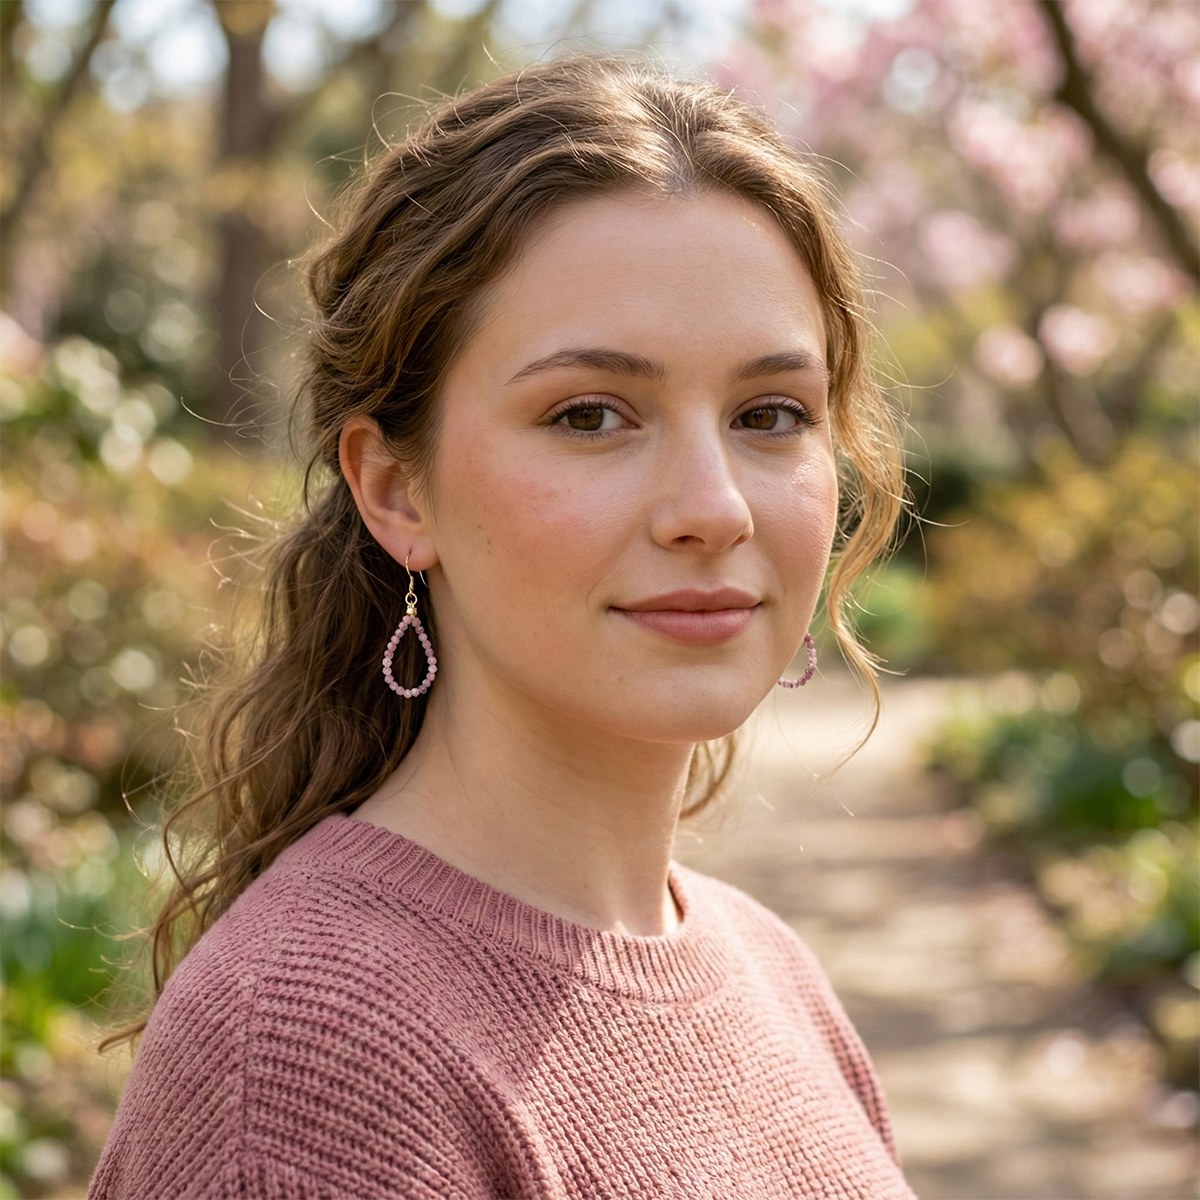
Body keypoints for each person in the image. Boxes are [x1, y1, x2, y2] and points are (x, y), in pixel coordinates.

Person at [88, 55, 912, 1199]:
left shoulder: (770, 970)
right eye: (589, 415)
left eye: (770, 414)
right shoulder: (307, 1055)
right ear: (397, 491)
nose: (714, 509)